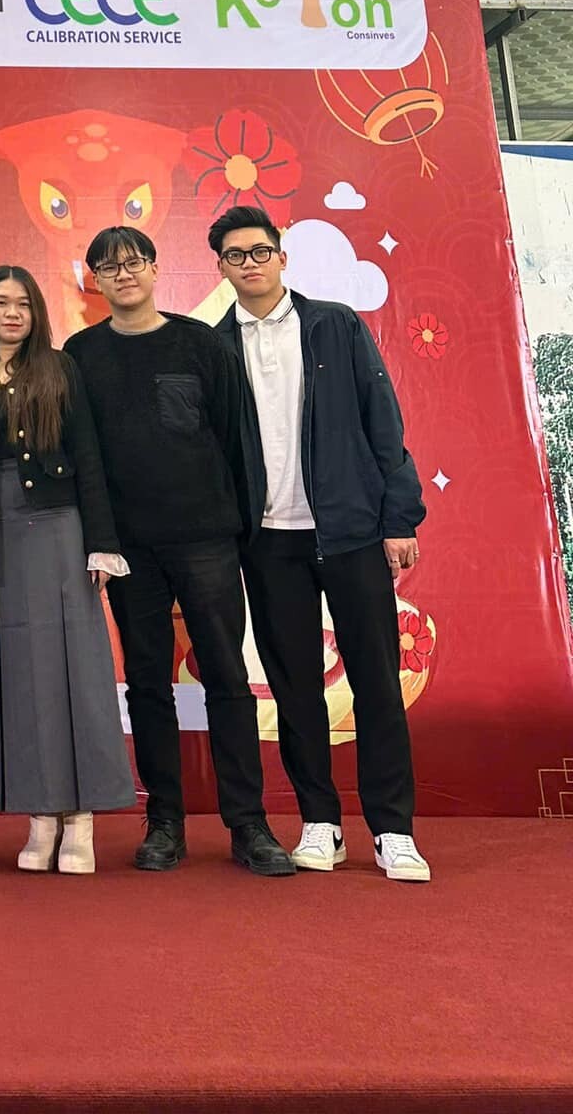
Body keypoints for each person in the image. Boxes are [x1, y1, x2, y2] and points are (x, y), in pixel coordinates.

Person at [210, 204, 431, 883]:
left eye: (260, 251)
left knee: (376, 681)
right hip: (268, 542)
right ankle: (320, 822)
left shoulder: (335, 324)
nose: (250, 263)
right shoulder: (214, 349)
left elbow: (382, 420)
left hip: (351, 529)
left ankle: (393, 830)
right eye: (236, 255)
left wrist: (399, 517)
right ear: (221, 267)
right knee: (295, 687)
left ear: (281, 257)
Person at [66, 226, 295, 878]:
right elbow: (82, 458)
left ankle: (248, 824)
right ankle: (164, 821)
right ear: (95, 281)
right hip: (129, 550)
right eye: (109, 267)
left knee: (226, 676)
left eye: (134, 261)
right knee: (147, 683)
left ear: (154, 268)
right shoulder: (80, 355)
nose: (123, 274)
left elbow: (235, 438)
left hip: (206, 539)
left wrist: (240, 530)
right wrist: (100, 542)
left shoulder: (201, 344)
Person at [0, 264, 135, 874]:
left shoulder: (61, 369)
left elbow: (89, 455)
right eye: (1, 303)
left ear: (36, 313)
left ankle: (80, 820)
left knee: (75, 668)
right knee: (20, 674)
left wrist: (101, 543)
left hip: (62, 525)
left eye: (23, 304)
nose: (12, 314)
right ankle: (40, 816)